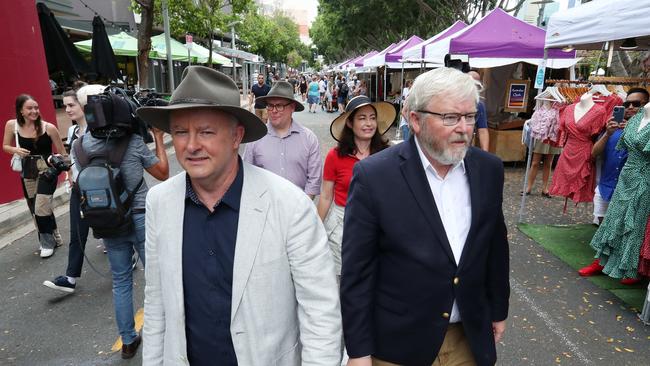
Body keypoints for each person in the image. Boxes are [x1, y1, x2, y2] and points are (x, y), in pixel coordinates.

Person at [136, 66, 342, 365]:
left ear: (236, 137)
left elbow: (319, 311)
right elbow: (156, 301)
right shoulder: (160, 201)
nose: (191, 145)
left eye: (206, 131)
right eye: (181, 132)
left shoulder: (289, 205)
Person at [341, 67, 510, 366]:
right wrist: (358, 350)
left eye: (470, 116)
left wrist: (498, 309)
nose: (463, 128)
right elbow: (358, 271)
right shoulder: (374, 176)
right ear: (416, 120)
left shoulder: (488, 169)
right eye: (450, 117)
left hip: (467, 338)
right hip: (398, 345)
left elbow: (495, 246)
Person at [72, 86, 169, 359]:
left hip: (109, 221)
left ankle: (128, 340)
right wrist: (159, 138)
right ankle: (165, 333)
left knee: (121, 281)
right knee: (158, 278)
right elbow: (162, 172)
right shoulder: (133, 143)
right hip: (141, 217)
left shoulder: (80, 146)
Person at [317, 96, 393, 279]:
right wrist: (315, 229)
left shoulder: (386, 154)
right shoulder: (335, 156)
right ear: (350, 123)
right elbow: (326, 196)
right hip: (341, 224)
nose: (369, 123)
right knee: (341, 277)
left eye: (372, 118)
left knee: (373, 275)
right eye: (362, 118)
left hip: (377, 223)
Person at [577, 89, 649, 279]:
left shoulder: (642, 127)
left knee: (631, 228)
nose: (631, 108)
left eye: (637, 104)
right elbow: (594, 153)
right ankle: (601, 262)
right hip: (609, 184)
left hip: (637, 184)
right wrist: (609, 133)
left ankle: (627, 268)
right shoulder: (614, 127)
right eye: (627, 104)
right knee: (606, 225)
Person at [42, 85, 107, 293]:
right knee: (77, 232)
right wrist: (63, 164)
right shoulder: (72, 131)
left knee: (108, 226)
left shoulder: (97, 129)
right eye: (65, 106)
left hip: (99, 188)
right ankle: (70, 278)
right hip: (79, 188)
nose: (68, 109)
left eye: (71, 105)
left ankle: (127, 256)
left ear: (83, 105)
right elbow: (74, 159)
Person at [3, 94, 67, 258]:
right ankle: (55, 236)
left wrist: (69, 173)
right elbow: (5, 146)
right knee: (36, 208)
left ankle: (46, 243)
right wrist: (15, 150)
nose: (34, 111)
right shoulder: (12, 126)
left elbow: (63, 153)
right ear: (21, 111)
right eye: (29, 108)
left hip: (47, 170)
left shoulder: (49, 128)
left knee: (41, 206)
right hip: (27, 171)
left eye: (36, 107)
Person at [243, 81, 322, 199]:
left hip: (299, 210)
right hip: (264, 210)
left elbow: (314, 181)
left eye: (279, 106)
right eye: (270, 105)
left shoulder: (309, 139)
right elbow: (246, 175)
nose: (274, 111)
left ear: (292, 107)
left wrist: (301, 209)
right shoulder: (256, 138)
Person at [468, 71, 490, 151]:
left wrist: (485, 154)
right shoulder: (452, 101)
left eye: (476, 84)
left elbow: (483, 130)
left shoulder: (479, 105)